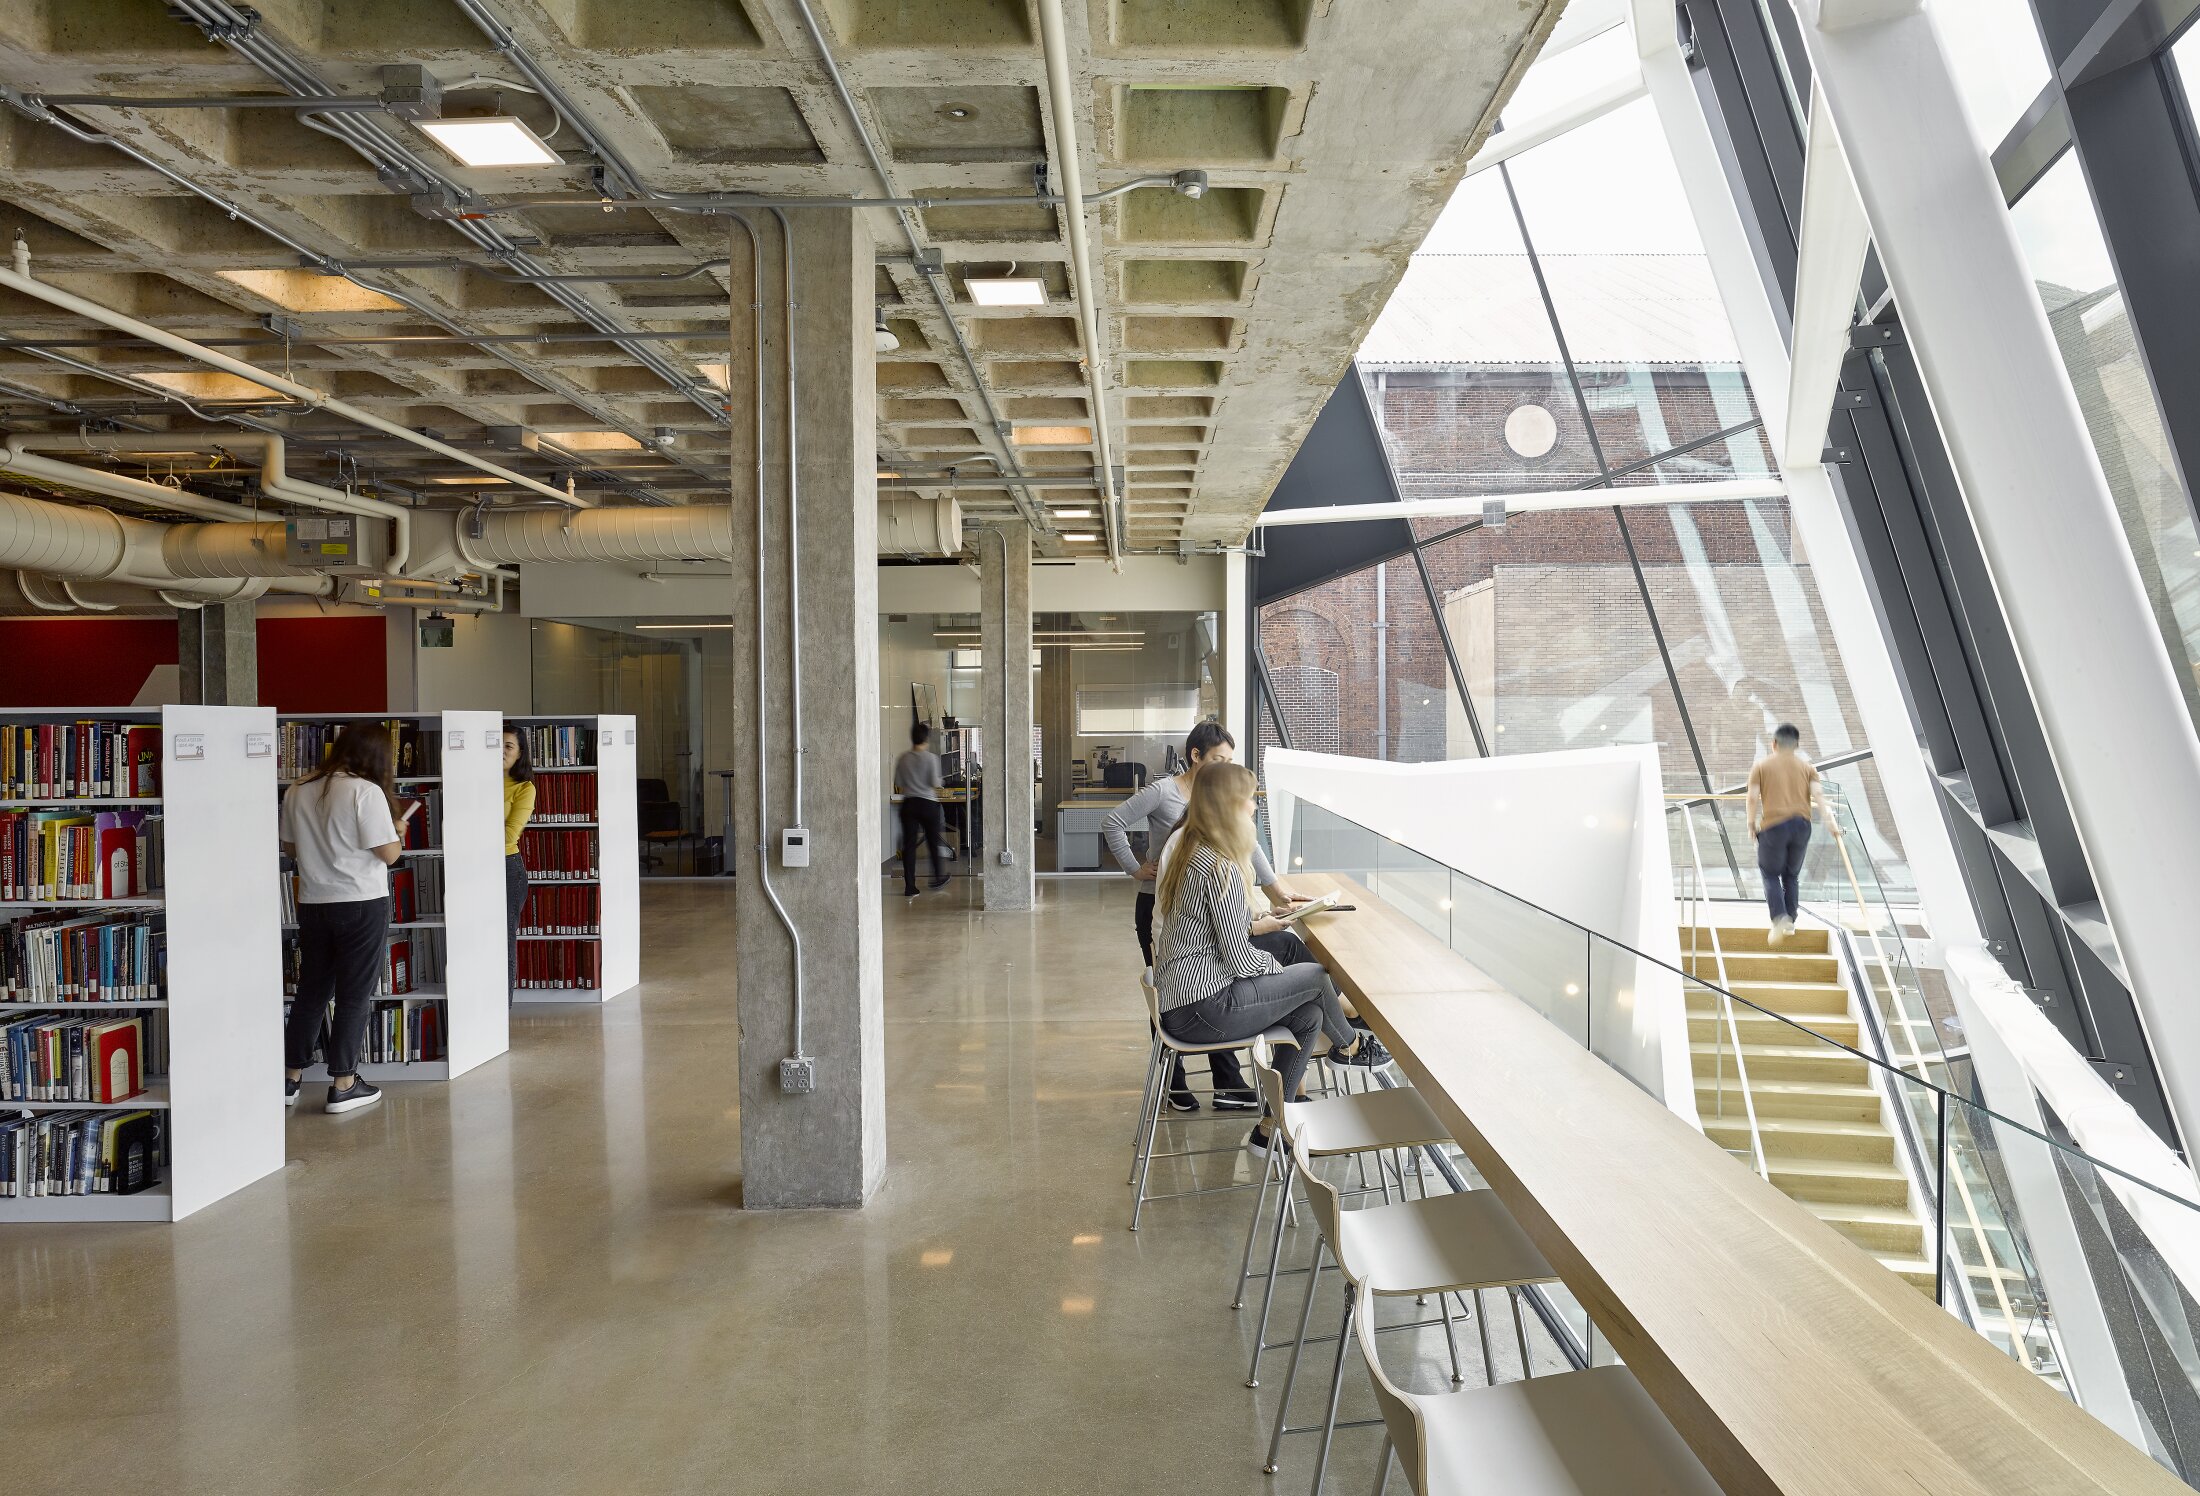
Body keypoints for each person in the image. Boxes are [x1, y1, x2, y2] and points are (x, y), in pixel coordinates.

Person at [1154, 761, 1389, 1158]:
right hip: (1202, 1008)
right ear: (1228, 806)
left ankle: (1270, 1127)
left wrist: (1262, 920)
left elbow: (1218, 927)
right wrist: (1287, 977)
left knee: (1309, 1015)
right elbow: (1241, 960)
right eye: (1247, 799)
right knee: (1313, 976)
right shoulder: (1220, 867)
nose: (1253, 807)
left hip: (1184, 998)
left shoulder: (1194, 850)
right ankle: (1349, 1048)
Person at [1105, 721, 1307, 1113]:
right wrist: (1135, 867)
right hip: (1160, 904)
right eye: (1218, 759)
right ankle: (1175, 1084)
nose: (1225, 767)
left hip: (1199, 900)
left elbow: (1245, 846)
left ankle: (1228, 1082)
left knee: (1209, 980)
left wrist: (1276, 890)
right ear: (1195, 756)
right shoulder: (1165, 793)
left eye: (1230, 760)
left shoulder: (1217, 805)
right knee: (1181, 987)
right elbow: (1113, 821)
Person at [281, 724, 412, 1115]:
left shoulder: (298, 788)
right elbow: (389, 855)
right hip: (361, 901)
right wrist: (398, 831)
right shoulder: (365, 791)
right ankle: (343, 1083)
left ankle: (290, 1079)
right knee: (355, 993)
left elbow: (290, 847)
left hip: (314, 902)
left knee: (312, 991)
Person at [1746, 723, 1839, 940]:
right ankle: (1791, 921)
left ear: (1774, 744)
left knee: (1770, 873)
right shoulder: (1808, 768)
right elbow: (1819, 796)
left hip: (1774, 826)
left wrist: (1751, 824)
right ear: (1796, 745)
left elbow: (1752, 798)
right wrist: (1830, 824)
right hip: (1801, 826)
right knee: (1791, 876)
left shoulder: (1761, 766)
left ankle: (1779, 918)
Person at [894, 722, 951, 900]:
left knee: (909, 846)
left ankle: (910, 886)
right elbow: (935, 783)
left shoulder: (903, 758)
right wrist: (941, 781)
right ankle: (938, 878)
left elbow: (899, 782)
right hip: (927, 804)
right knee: (932, 841)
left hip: (909, 804)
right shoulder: (931, 758)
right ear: (926, 738)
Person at [502, 728, 537, 1000]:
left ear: (520, 754)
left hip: (506, 869)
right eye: (496, 744)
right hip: (472, 867)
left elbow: (509, 834)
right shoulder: (474, 781)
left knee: (504, 941)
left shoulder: (524, 788)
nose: (501, 751)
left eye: (508, 746)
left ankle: (503, 1007)